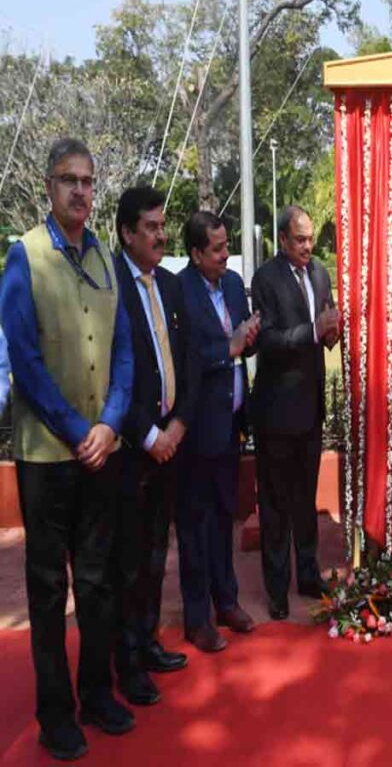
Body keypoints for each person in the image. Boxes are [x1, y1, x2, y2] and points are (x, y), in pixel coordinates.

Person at [1, 138, 135, 760]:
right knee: (50, 588)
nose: (81, 191)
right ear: (48, 187)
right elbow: (24, 361)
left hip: (101, 452)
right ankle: (56, 713)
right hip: (47, 457)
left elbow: (125, 354)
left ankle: (98, 693)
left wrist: (108, 424)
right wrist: (76, 429)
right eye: (69, 180)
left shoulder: (108, 259)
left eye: (88, 180)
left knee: (100, 580)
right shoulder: (24, 257)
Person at [111, 185, 192, 707]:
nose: (161, 235)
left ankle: (147, 641)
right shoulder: (111, 285)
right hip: (131, 448)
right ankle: (127, 662)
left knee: (158, 552)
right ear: (126, 233)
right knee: (129, 561)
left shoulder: (168, 283)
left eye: (164, 226)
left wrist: (179, 423)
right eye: (152, 227)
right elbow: (114, 375)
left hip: (171, 438)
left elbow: (183, 357)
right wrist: (148, 435)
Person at [177, 211, 260, 652]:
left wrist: (252, 334)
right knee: (195, 522)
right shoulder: (182, 291)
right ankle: (197, 617)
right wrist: (226, 348)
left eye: (227, 244)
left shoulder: (230, 284)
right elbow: (188, 354)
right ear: (195, 253)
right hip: (196, 427)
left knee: (225, 515)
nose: (227, 254)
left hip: (230, 424)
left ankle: (227, 600)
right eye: (218, 248)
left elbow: (243, 338)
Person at [251, 206, 339, 621]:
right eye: (300, 240)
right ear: (282, 240)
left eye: (310, 239)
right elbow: (266, 340)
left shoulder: (320, 273)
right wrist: (312, 332)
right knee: (275, 505)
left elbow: (327, 323)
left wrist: (333, 332)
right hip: (275, 411)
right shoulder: (265, 279)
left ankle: (308, 575)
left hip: (311, 408)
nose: (308, 246)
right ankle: (276, 589)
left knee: (305, 501)